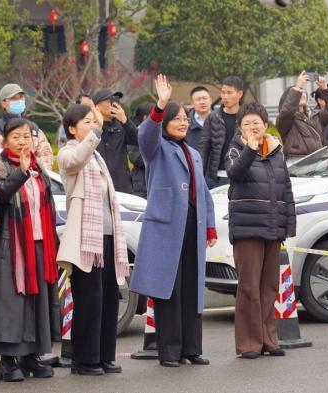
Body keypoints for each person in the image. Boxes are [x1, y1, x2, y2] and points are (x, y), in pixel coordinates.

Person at [130, 75, 217, 368]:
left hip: (192, 225)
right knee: (170, 289)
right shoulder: (155, 148)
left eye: (185, 118)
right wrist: (161, 104)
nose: (182, 122)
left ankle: (192, 349)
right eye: (176, 118)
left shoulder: (192, 152)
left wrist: (210, 225)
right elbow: (145, 135)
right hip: (167, 226)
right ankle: (169, 351)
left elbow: (203, 191)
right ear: (165, 121)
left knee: (192, 288)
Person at [0, 118, 60, 382]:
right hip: (10, 244)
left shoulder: (40, 168)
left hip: (39, 243)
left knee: (37, 301)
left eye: (27, 136)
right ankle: (7, 361)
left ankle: (31, 356)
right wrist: (21, 172)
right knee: (11, 304)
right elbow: (0, 195)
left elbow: (48, 207)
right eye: (16, 137)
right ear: (5, 141)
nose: (23, 142)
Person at [56, 104, 130, 376]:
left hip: (108, 238)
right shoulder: (68, 153)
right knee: (89, 299)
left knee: (109, 298)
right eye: (86, 122)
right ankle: (84, 360)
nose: (92, 125)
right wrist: (96, 131)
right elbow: (77, 160)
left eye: (93, 121)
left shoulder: (96, 157)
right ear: (72, 129)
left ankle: (104, 356)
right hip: (87, 242)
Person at [225, 102, 296, 359]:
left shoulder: (276, 151)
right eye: (247, 124)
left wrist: (289, 224)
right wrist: (250, 150)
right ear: (240, 129)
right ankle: (249, 343)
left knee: (269, 287)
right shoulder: (236, 149)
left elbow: (285, 188)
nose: (253, 128)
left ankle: (269, 339)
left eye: (256, 123)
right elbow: (235, 174)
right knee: (248, 288)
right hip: (247, 228)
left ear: (265, 125)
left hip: (273, 227)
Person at [0, 83, 54, 170]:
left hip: (35, 178)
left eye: (21, 97)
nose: (19, 101)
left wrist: (38, 174)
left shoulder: (34, 128)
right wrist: (19, 175)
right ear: (3, 103)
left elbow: (46, 155)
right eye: (13, 98)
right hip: (9, 179)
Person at [276, 71, 328, 162]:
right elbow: (286, 113)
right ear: (289, 99)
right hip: (296, 163)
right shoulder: (285, 120)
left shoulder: (316, 116)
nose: (302, 94)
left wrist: (324, 87)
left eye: (303, 91)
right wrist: (297, 86)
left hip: (317, 162)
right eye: (299, 92)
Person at [199, 76, 244, 189]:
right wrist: (199, 176)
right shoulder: (213, 117)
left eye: (229, 93)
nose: (225, 96)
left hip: (243, 175)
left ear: (239, 94)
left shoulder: (247, 117)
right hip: (217, 177)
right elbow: (204, 148)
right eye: (223, 92)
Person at [92, 88, 139, 194]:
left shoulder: (121, 125)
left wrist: (125, 121)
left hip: (121, 186)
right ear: (97, 106)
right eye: (109, 102)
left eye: (115, 101)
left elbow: (138, 141)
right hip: (98, 186)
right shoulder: (91, 127)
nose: (113, 105)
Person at [128, 102, 155, 198]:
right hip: (141, 184)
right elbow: (135, 157)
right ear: (145, 117)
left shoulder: (161, 133)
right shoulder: (135, 133)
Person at [187, 86, 212, 150]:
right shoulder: (185, 123)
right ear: (192, 103)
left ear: (210, 100)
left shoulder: (221, 120)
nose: (202, 102)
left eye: (205, 98)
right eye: (198, 99)